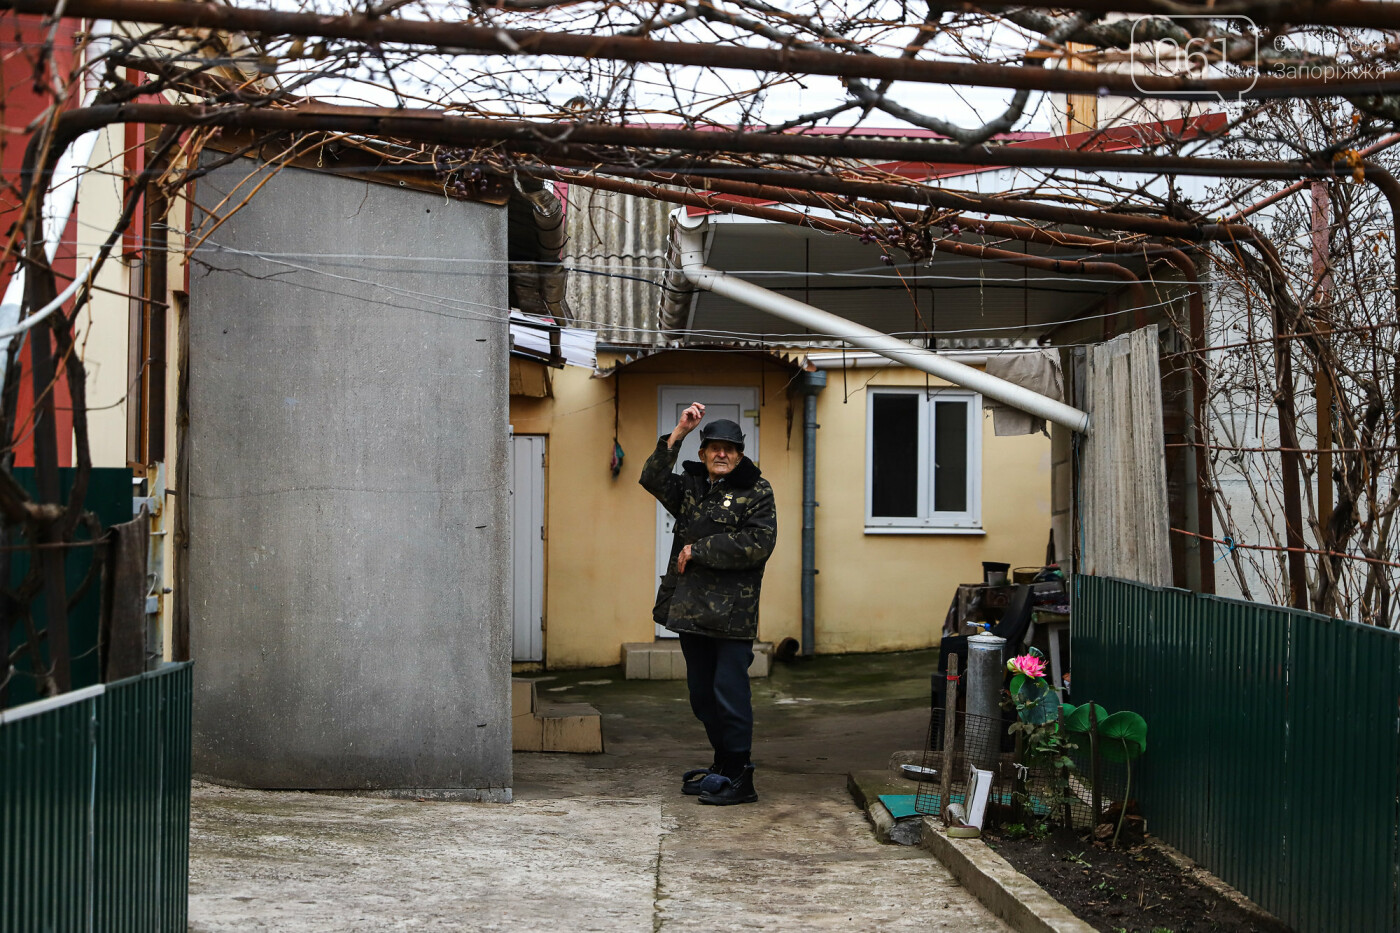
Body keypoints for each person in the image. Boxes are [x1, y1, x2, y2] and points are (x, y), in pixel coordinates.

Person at [640, 402, 776, 806]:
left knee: (729, 693)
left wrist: (699, 548)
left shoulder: (757, 490)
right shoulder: (691, 486)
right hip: (691, 611)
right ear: (701, 453)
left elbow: (757, 544)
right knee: (702, 695)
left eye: (729, 448)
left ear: (740, 454)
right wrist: (678, 432)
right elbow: (651, 477)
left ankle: (741, 776)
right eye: (713, 447)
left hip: (733, 616)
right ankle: (723, 766)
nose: (721, 454)